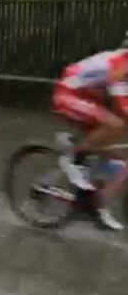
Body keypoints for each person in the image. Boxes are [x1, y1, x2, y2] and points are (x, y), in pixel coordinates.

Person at [52, 49, 128, 230]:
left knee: (110, 145)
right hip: (69, 92)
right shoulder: (120, 64)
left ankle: (94, 204)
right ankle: (72, 159)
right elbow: (122, 105)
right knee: (116, 124)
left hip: (90, 97)